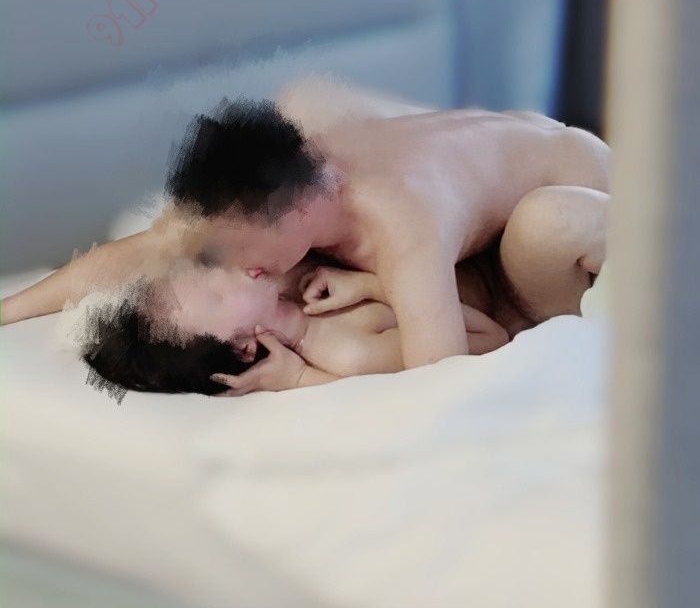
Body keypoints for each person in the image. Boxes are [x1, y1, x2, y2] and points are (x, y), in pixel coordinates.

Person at [1, 77, 610, 375]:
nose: (238, 269)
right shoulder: (288, 158)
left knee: (545, 225)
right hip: (498, 151)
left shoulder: (401, 222)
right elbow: (150, 247)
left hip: (582, 191)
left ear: (295, 213)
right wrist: (8, 310)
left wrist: (299, 379)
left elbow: (442, 380)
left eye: (242, 252)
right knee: (305, 95)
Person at [81, 183, 608, 399]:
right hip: (517, 302)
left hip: (483, 252)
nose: (225, 273)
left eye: (206, 273)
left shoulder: (294, 284)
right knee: (555, 218)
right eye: (216, 296)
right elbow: (490, 339)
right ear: (245, 347)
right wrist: (372, 284)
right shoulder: (349, 353)